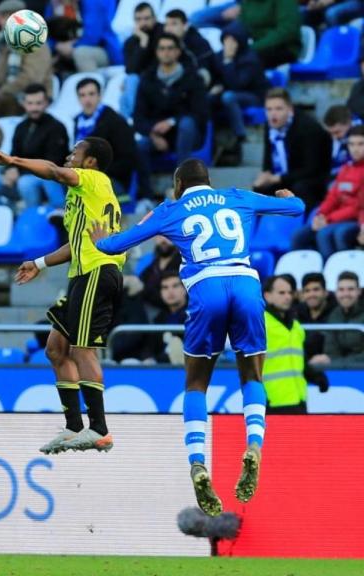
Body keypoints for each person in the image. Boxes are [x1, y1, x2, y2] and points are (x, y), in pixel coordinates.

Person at [90, 158, 305, 516]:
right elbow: (296, 208)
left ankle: (197, 463)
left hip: (207, 290)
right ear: (210, 180)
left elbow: (114, 247)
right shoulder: (237, 196)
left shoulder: (172, 209)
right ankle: (254, 445)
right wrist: (287, 194)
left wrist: (101, 239)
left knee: (196, 385)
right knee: (251, 374)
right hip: (247, 286)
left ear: (178, 185)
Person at [0, 137, 124, 455]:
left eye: (75, 153)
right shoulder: (83, 197)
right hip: (82, 273)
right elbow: (75, 245)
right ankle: (74, 426)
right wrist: (38, 263)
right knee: (55, 348)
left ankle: (100, 429)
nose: (68, 157)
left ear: (90, 162)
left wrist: (14, 161)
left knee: (82, 349)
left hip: (98, 272)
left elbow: (52, 171)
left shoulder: (94, 179)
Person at [0, 84, 69, 209]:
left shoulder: (57, 127)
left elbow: (52, 163)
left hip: (46, 180)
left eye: (38, 103)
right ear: (23, 104)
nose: (34, 108)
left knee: (25, 183)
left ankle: (31, 221)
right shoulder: (21, 127)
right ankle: (8, 218)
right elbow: (13, 153)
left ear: (46, 103)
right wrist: (9, 171)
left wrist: (19, 171)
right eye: (30, 103)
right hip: (21, 174)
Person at [133, 32, 208, 166]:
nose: (166, 52)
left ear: (178, 51)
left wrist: (172, 121)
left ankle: (181, 181)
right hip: (158, 136)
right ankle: (145, 187)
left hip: (187, 134)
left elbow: (200, 113)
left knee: (187, 123)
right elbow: (138, 118)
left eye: (170, 48)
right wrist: (152, 134)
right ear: (156, 52)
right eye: (162, 48)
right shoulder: (147, 79)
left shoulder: (192, 78)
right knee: (140, 146)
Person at [290, 125, 364, 258]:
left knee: (326, 234)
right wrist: (320, 215)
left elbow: (357, 207)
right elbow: (333, 197)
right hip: (335, 218)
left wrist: (328, 219)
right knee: (298, 236)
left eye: (360, 144)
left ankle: (332, 273)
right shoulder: (346, 169)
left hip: (353, 220)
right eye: (352, 144)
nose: (355, 149)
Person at [252, 88, 331, 211]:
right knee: (259, 188)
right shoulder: (269, 126)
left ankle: (302, 223)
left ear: (290, 110)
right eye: (269, 109)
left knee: (300, 187)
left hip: (312, 178)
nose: (273, 114)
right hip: (285, 177)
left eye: (278, 109)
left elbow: (312, 169)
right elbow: (267, 162)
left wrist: (278, 178)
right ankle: (265, 228)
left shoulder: (308, 128)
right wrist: (264, 176)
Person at [261, 275, 329, 414]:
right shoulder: (260, 324)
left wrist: (316, 377)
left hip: (298, 400)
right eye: (281, 293)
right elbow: (247, 364)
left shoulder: (296, 326)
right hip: (271, 402)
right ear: (267, 296)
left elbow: (299, 361)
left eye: (290, 292)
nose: (287, 297)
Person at [208, 27, 269, 163]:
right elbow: (216, 76)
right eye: (226, 40)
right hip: (229, 92)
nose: (228, 44)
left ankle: (240, 135)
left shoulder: (250, 58)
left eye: (233, 40)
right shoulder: (218, 56)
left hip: (253, 96)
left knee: (228, 97)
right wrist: (217, 86)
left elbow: (238, 84)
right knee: (208, 99)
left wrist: (229, 61)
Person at [0, 0, 53, 118]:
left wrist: (1, 91)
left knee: (6, 101)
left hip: (32, 95)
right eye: (5, 17)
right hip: (0, 91)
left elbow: (31, 78)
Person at [73, 78, 137, 198]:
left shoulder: (115, 121)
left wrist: (95, 173)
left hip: (112, 179)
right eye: (82, 95)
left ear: (100, 96)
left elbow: (127, 158)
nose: (87, 100)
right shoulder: (78, 121)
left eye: (91, 94)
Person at [121, 2, 163, 118]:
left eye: (146, 18)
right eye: (138, 19)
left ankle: (136, 121)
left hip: (159, 78)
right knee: (129, 84)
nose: (143, 23)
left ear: (154, 18)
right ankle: (128, 127)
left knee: (131, 83)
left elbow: (160, 62)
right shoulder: (130, 42)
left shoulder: (162, 34)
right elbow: (130, 70)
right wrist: (143, 44)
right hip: (140, 81)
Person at [313, 271, 364, 365]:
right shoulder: (334, 315)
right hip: (340, 369)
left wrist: (340, 362)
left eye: (351, 289)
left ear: (359, 291)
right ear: (336, 292)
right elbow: (331, 351)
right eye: (341, 289)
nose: (346, 294)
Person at [296, 272, 335, 360]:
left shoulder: (336, 312)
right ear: (302, 294)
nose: (311, 294)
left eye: (316, 290)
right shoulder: (296, 312)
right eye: (307, 291)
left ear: (325, 292)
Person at [323, 105, 357, 176]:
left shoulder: (360, 134)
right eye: (330, 133)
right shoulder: (338, 136)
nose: (334, 137)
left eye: (337, 132)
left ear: (348, 123)